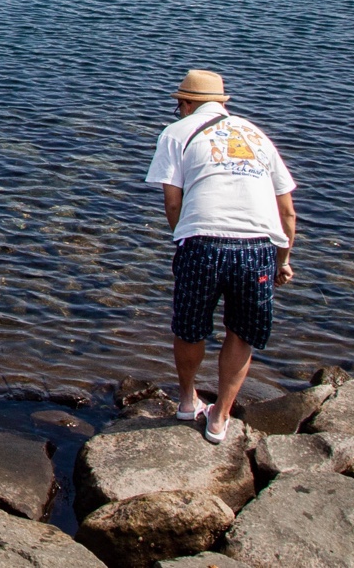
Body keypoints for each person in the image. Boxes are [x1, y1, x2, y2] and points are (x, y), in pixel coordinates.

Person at [145, 70, 296, 443]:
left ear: (187, 104)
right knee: (241, 332)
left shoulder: (176, 133)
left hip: (203, 242)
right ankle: (220, 418)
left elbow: (172, 202)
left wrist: (184, 238)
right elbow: (287, 212)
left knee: (190, 327)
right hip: (257, 246)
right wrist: (283, 260)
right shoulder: (257, 135)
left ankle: (186, 400)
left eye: (179, 105)